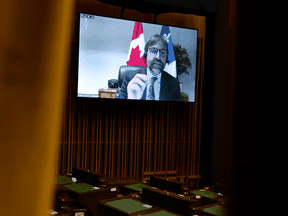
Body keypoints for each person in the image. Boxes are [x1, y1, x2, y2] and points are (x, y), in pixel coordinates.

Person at [115, 34, 181, 101]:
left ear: (166, 57)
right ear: (146, 54)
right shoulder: (130, 78)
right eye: (153, 51)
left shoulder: (174, 84)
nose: (158, 57)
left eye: (162, 52)